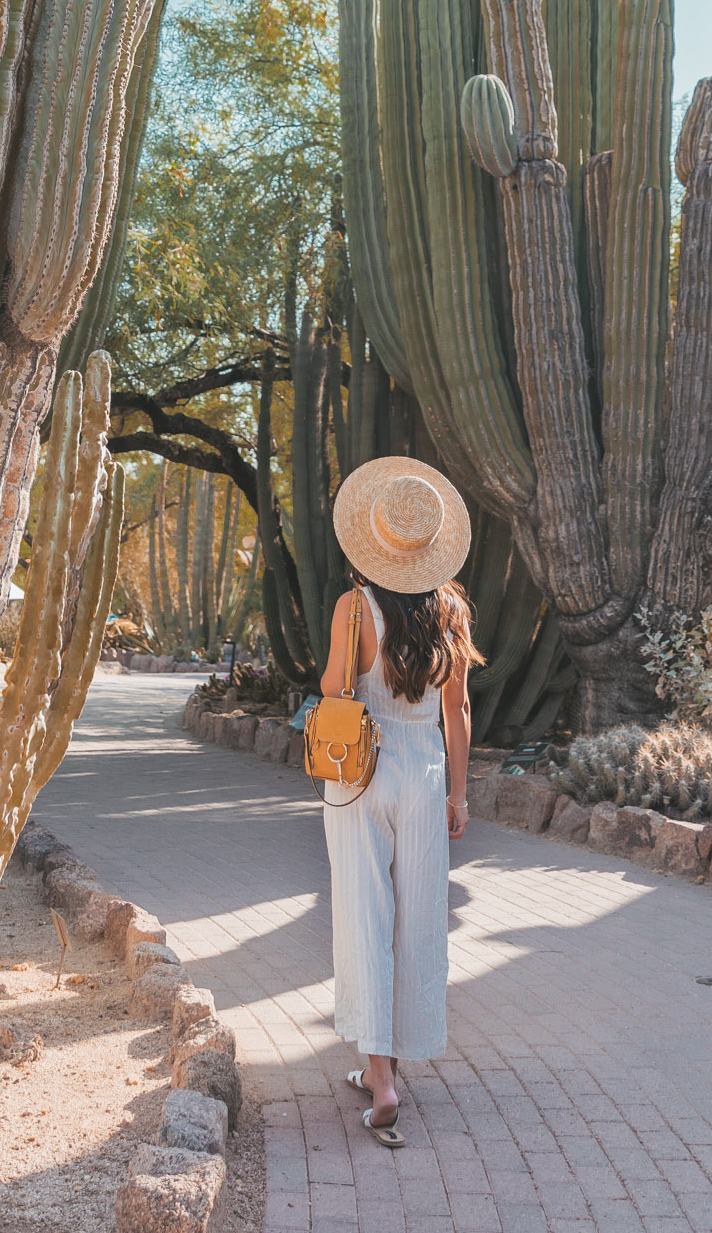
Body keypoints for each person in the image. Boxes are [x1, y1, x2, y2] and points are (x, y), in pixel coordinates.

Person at [320, 457, 481, 1148]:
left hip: (361, 772)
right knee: (416, 920)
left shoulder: (355, 607)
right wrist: (458, 793)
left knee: (364, 914)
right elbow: (460, 708)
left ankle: (379, 1077)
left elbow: (333, 687)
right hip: (423, 772)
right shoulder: (452, 610)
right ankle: (392, 1060)